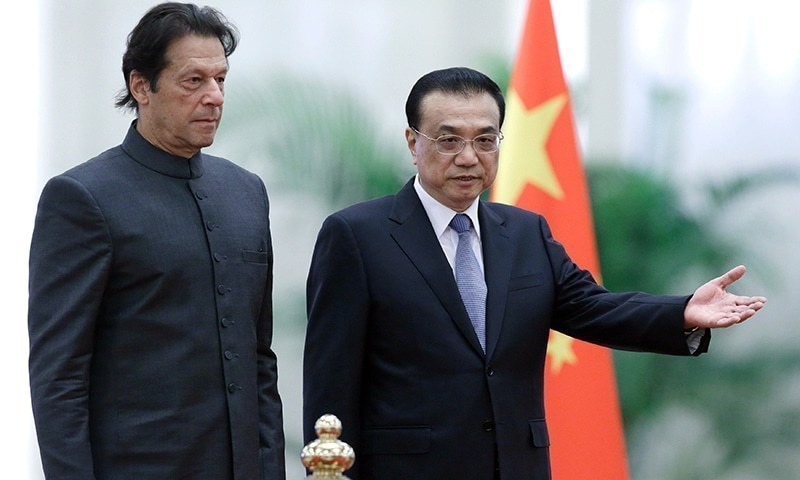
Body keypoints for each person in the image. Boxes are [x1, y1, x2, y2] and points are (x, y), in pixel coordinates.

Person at [302, 67, 766, 480]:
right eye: (449, 139)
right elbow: (331, 379)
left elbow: (592, 307)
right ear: (413, 143)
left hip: (518, 465)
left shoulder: (524, 233)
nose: (468, 156)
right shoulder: (357, 235)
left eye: (485, 139)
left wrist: (684, 310)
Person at [28, 3, 285, 479]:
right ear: (141, 86)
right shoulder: (82, 198)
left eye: (221, 80)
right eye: (194, 81)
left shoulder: (246, 192)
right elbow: (58, 379)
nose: (214, 97)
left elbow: (258, 362)